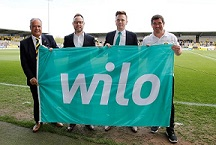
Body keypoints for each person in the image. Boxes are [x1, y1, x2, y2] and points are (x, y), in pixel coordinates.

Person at [142, 14, 182, 143]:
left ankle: (170, 129)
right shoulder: (147, 39)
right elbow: (142, 58)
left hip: (167, 75)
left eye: (159, 23)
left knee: (169, 102)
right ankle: (156, 122)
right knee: (153, 99)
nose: (157, 25)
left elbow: (179, 53)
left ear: (163, 23)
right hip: (152, 75)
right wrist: (145, 51)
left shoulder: (171, 37)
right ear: (151, 25)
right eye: (154, 23)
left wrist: (178, 50)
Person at [20, 18, 63, 133]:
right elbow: (24, 63)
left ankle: (53, 119)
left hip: (49, 78)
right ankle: (38, 121)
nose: (37, 28)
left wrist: (52, 51)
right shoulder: (24, 43)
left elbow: (58, 53)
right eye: (34, 26)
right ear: (30, 28)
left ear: (42, 27)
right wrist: (30, 77)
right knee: (37, 100)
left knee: (51, 99)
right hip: (35, 79)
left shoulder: (49, 38)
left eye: (39, 26)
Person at [104, 11, 138, 133]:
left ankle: (131, 121)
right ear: (115, 21)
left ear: (126, 22)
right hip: (112, 71)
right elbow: (103, 52)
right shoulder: (109, 35)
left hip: (127, 70)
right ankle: (110, 120)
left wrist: (134, 71)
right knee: (111, 96)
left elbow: (136, 55)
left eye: (122, 20)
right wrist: (105, 46)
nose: (120, 22)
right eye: (118, 20)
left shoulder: (132, 36)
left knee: (129, 95)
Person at [63, 13, 95, 132]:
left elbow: (95, 55)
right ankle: (72, 122)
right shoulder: (67, 38)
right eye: (76, 22)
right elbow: (63, 54)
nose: (78, 24)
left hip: (87, 73)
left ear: (84, 24)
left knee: (87, 98)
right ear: (73, 24)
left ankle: (88, 121)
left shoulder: (90, 39)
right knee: (73, 99)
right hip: (72, 73)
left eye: (80, 22)